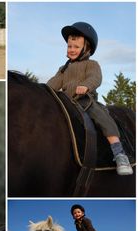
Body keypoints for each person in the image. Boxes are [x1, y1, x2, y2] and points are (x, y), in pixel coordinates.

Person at [47, 22, 133, 176]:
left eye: (76, 47)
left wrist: (86, 86)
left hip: (85, 100)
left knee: (102, 117)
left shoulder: (92, 64)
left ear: (86, 49)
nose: (71, 50)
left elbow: (96, 78)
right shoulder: (63, 69)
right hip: (67, 101)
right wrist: (42, 91)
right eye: (69, 46)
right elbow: (53, 84)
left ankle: (120, 154)